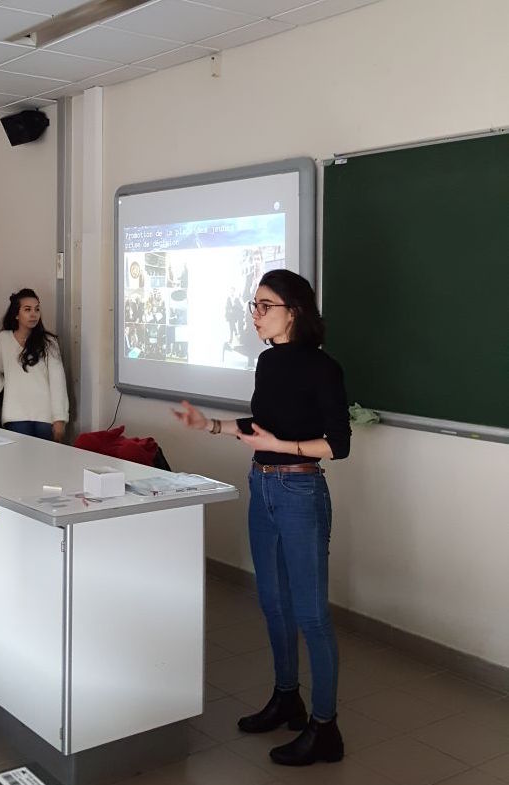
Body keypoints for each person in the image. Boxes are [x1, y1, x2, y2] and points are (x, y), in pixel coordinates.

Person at [173, 269, 350, 767]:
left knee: (311, 614)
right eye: (254, 305)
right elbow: (258, 425)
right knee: (272, 603)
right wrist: (208, 424)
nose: (255, 315)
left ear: (294, 312)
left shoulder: (324, 368)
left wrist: (280, 445)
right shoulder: (268, 361)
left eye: (265, 306)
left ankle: (325, 727)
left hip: (300, 489)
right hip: (263, 485)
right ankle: (287, 697)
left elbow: (338, 445)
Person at [0, 288, 68, 442]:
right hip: (15, 416)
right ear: (16, 314)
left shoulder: (49, 342)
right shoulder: (4, 339)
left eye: (37, 309)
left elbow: (58, 383)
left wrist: (59, 419)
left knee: (46, 456)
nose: (34, 314)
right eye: (27, 309)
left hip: (45, 418)